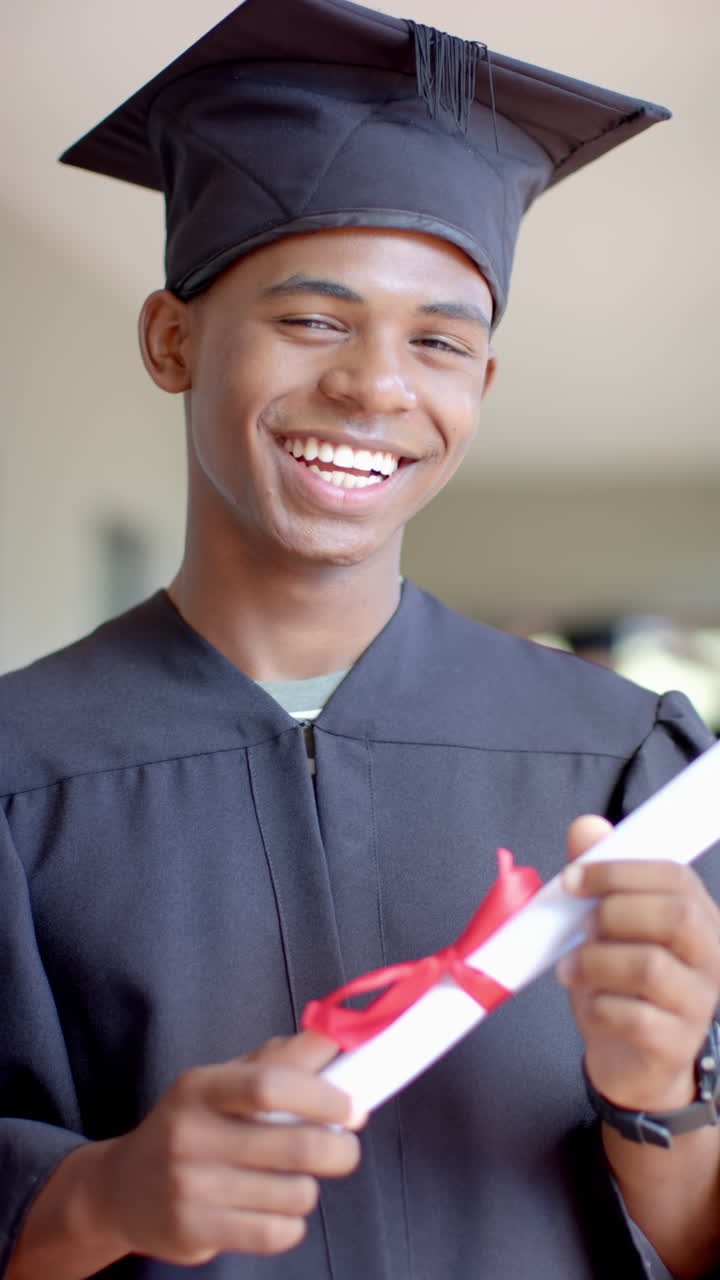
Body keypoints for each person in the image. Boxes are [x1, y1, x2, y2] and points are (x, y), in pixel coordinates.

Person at [2, 1, 720, 1277]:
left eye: (439, 341)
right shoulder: (21, 766)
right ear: (172, 338)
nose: (379, 385)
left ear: (478, 387)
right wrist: (98, 1195)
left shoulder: (625, 765)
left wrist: (657, 1096)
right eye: (314, 319)